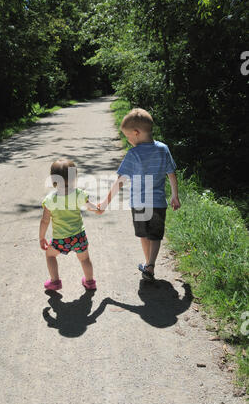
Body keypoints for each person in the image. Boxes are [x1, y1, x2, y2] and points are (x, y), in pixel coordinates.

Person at [98, 108, 181, 282]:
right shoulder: (163, 149)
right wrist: (175, 195)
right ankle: (150, 264)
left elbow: (120, 180)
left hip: (139, 203)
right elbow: (171, 173)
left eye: (128, 137)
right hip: (158, 202)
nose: (128, 140)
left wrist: (105, 202)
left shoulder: (133, 154)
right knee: (155, 235)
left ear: (136, 133)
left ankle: (148, 265)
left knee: (144, 234)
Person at [39, 159, 101, 291]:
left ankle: (55, 281)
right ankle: (90, 282)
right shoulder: (78, 194)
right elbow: (91, 207)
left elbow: (45, 221)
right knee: (84, 259)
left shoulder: (50, 199)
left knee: (50, 255)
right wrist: (98, 209)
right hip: (79, 237)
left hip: (61, 239)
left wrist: (41, 237)